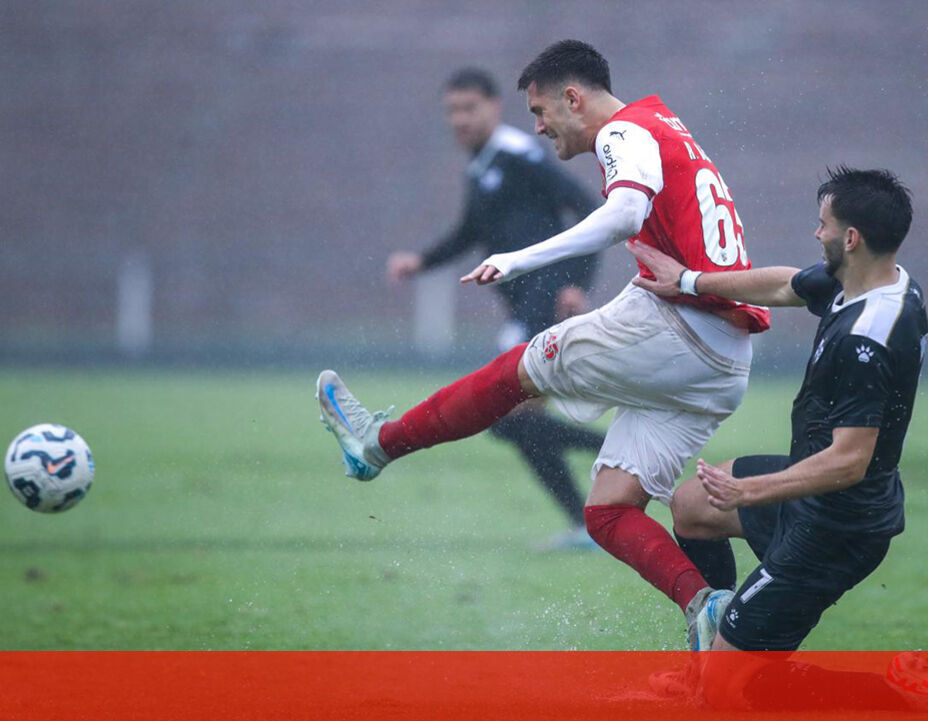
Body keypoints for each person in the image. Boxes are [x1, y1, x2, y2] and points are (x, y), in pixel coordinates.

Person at [316, 40, 770, 625]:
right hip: (726, 360)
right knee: (607, 513)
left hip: (679, 327)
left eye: (539, 111)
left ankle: (375, 444)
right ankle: (709, 614)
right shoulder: (663, 125)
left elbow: (625, 214)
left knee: (516, 372)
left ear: (573, 98)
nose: (537, 126)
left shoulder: (623, 131)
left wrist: (519, 259)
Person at [631, 168, 928, 714]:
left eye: (822, 224)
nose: (815, 233)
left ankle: (899, 694)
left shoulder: (868, 338)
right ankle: (714, 654)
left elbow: (850, 461)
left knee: (730, 695)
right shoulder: (875, 278)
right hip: (814, 494)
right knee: (692, 505)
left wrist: (752, 492)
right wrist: (689, 281)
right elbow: (785, 286)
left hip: (835, 528)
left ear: (851, 238)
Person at [387, 67, 605, 551]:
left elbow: (592, 212)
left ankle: (621, 461)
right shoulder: (482, 165)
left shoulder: (519, 155)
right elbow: (471, 231)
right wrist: (421, 262)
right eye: (452, 111)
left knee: (505, 415)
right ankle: (590, 513)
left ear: (494, 107)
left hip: (544, 301)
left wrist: (575, 283)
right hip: (524, 307)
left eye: (469, 108)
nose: (460, 119)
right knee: (512, 421)